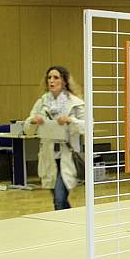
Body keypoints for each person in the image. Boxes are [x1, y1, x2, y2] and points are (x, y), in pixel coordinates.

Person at [24, 65, 85, 210]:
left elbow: (87, 126)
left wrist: (70, 121)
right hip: (49, 157)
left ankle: (63, 226)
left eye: (56, 77)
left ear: (64, 81)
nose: (51, 80)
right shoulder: (41, 103)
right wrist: (33, 121)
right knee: (58, 199)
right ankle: (69, 222)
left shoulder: (75, 103)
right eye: (49, 77)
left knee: (59, 198)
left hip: (67, 156)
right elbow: (27, 129)